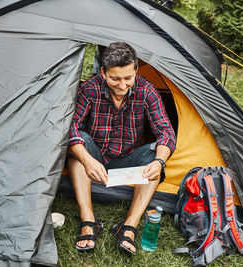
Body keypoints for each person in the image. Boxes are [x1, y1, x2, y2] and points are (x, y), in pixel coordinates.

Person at [67, 42, 176, 255]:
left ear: (135, 70)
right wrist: (89, 161)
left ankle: (129, 227)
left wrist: (158, 161)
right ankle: (88, 221)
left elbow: (166, 132)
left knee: (155, 156)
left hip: (128, 160)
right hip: (96, 156)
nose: (122, 85)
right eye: (115, 78)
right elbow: (71, 127)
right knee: (79, 145)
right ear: (103, 73)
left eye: (128, 78)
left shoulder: (147, 91)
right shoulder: (89, 89)